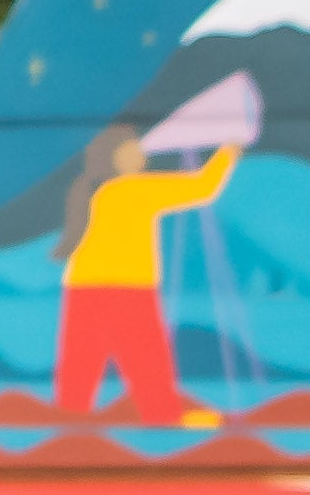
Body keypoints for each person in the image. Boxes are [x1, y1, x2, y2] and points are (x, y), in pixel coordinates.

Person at [48, 101, 247, 430]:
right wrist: (230, 150)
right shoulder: (133, 190)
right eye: (133, 149)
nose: (142, 153)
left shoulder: (100, 191)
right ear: (116, 157)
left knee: (80, 367)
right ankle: (162, 415)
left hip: (84, 285)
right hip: (127, 287)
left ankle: (70, 421)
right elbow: (202, 187)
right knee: (147, 359)